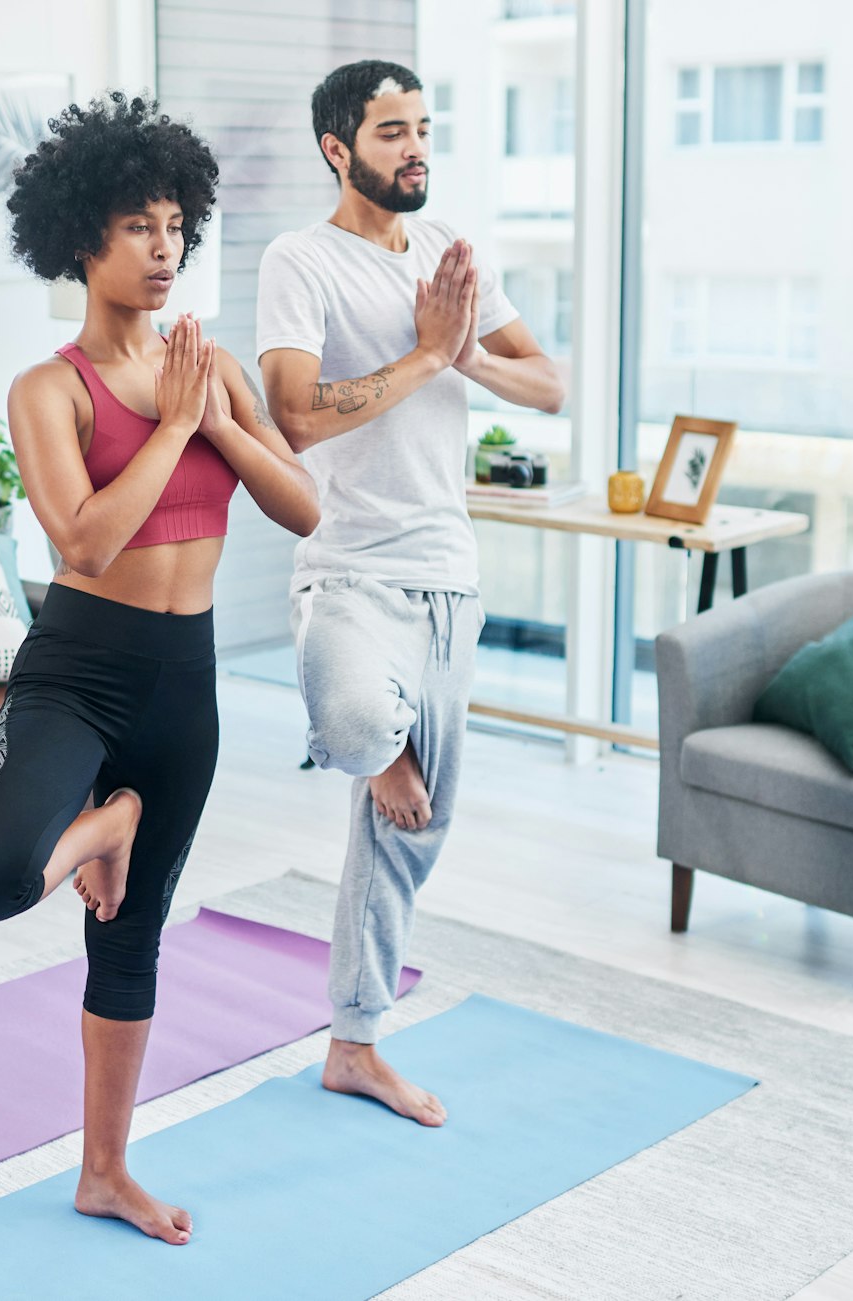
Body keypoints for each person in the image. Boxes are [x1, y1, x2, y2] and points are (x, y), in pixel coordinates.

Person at [0, 92, 319, 1246]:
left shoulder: (214, 369)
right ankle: (101, 829)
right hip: (78, 670)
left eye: (172, 226)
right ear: (79, 240)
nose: (162, 250)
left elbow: (302, 507)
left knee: (131, 933)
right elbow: (83, 540)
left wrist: (216, 420)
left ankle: (104, 1169)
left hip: (180, 684)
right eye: (136, 228)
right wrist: (164, 429)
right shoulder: (47, 389)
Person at [256, 61, 566, 1127]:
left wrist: (459, 349)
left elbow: (550, 382)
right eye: (391, 132)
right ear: (338, 149)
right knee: (350, 723)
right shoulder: (300, 259)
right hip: (347, 564)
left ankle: (355, 1043)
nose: (415, 148)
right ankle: (379, 749)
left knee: (409, 834)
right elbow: (292, 415)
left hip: (448, 580)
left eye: (422, 128)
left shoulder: (447, 256)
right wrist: (426, 354)